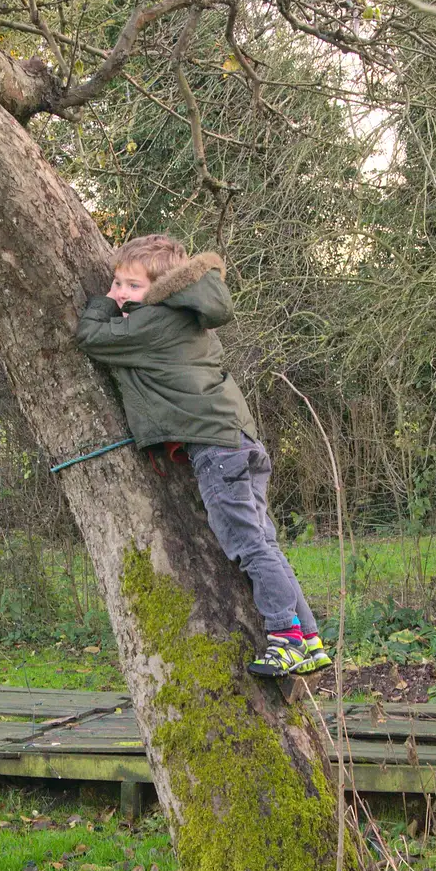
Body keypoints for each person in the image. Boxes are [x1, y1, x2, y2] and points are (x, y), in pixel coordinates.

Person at [73, 234, 329, 677]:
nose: (118, 292)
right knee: (264, 542)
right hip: (239, 440)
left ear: (161, 288)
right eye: (115, 282)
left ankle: (285, 637)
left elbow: (91, 338)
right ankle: (307, 638)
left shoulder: (153, 321)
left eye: (130, 286)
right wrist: (124, 297)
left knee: (247, 544)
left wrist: (103, 304)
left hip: (216, 449)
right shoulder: (190, 317)